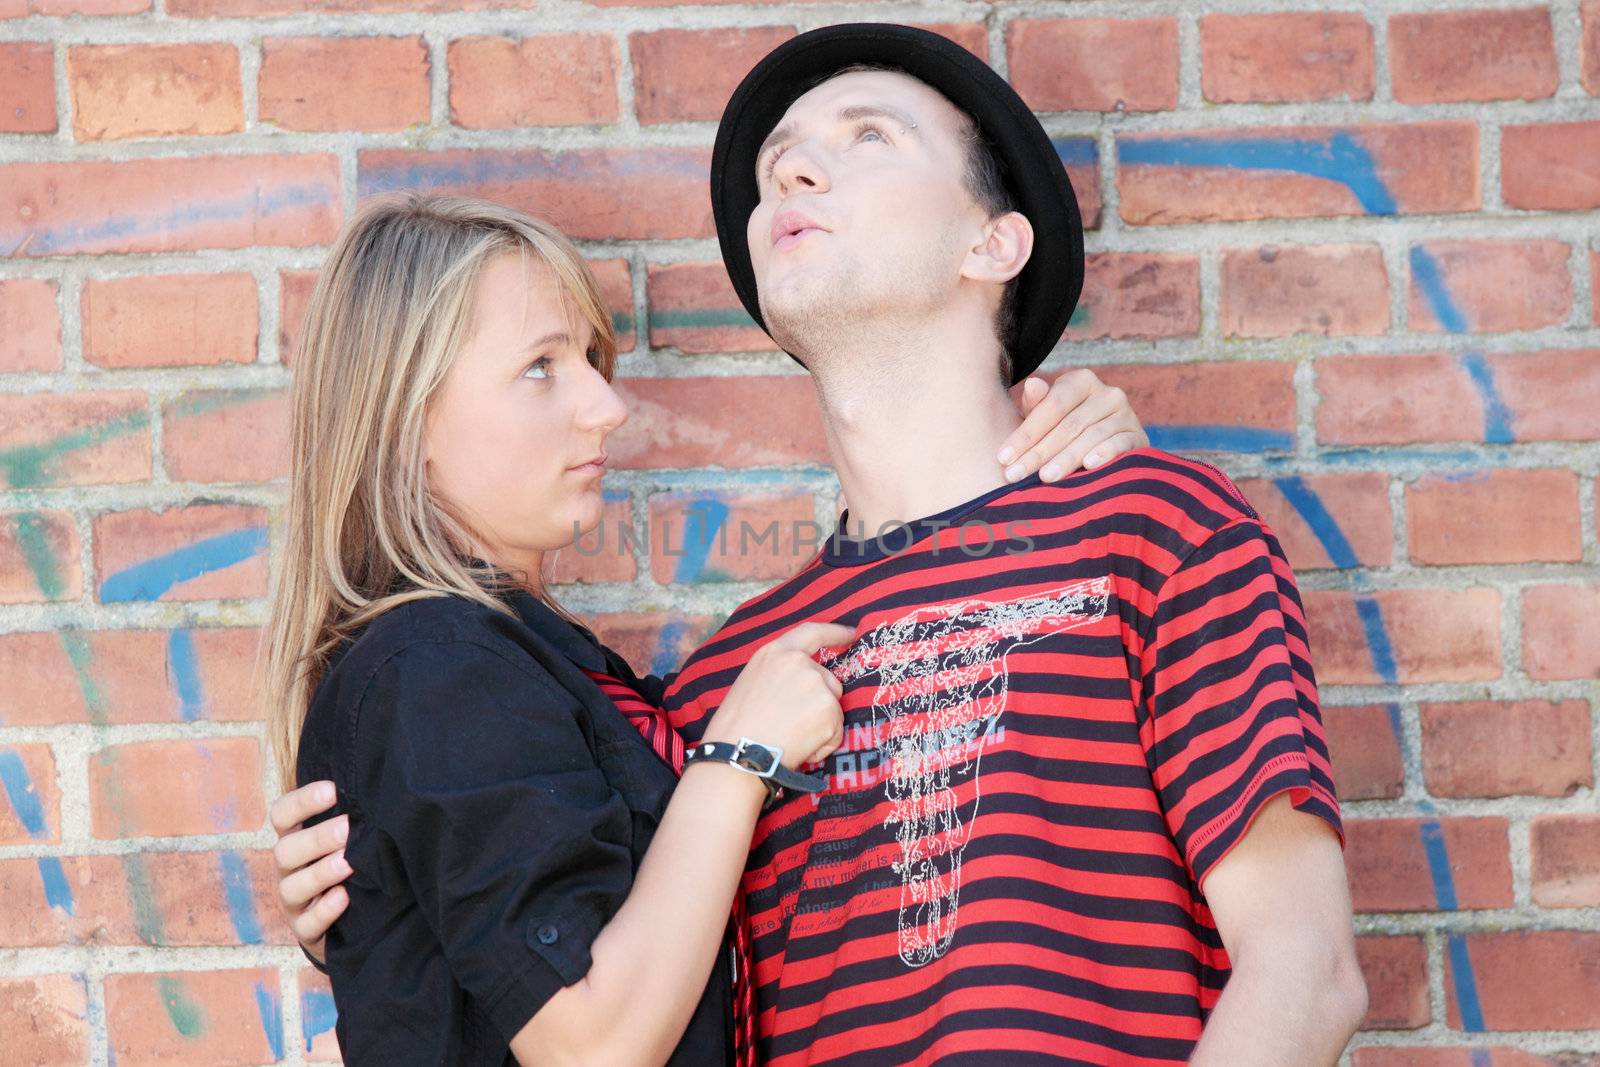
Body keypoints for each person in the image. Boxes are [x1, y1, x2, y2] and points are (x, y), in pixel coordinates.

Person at [265, 191, 1150, 1063]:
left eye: (588, 360)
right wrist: (738, 759)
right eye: (541, 367)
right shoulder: (438, 668)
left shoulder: (543, 675)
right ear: (406, 420)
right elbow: (594, 1045)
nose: (605, 407)